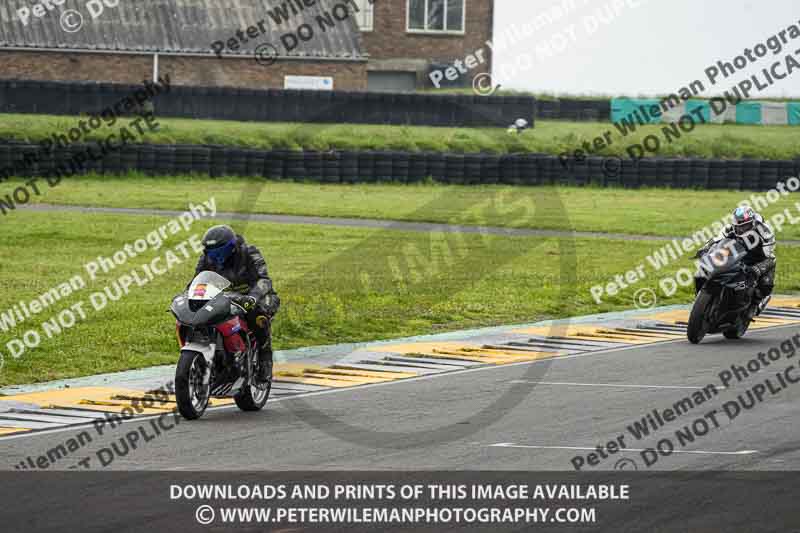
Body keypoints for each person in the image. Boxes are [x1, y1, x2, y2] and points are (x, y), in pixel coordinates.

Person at [194, 225, 280, 381]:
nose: (216, 256)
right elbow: (197, 280)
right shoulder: (206, 258)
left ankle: (265, 358)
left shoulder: (249, 253)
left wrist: (253, 297)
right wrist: (189, 295)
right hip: (225, 297)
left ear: (232, 247)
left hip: (257, 295)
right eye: (212, 252)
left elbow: (263, 280)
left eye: (220, 251)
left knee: (258, 317)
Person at [714, 206, 776, 314]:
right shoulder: (729, 228)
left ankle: (757, 303)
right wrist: (705, 250)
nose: (742, 230)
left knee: (766, 283)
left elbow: (770, 257)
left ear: (753, 223)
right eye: (739, 227)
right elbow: (715, 241)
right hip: (738, 255)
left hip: (759, 258)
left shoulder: (765, 232)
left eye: (745, 226)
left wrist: (758, 268)